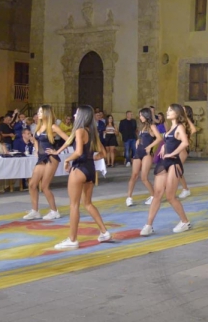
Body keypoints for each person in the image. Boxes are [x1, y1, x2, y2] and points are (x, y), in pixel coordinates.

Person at [50, 105, 111, 249]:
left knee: (74, 205)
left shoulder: (79, 130)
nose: (75, 115)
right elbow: (103, 153)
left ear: (82, 115)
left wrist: (67, 160)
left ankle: (72, 240)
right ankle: (104, 232)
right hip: (90, 169)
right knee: (88, 203)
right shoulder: (93, 132)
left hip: (79, 168)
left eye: (77, 113)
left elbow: (77, 152)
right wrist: (92, 158)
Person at [140, 104, 192, 234]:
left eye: (170, 110)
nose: (167, 112)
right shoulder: (170, 128)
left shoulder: (179, 127)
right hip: (164, 162)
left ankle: (185, 222)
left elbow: (185, 143)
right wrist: (164, 147)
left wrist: (173, 153)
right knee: (157, 194)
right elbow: (168, 140)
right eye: (167, 110)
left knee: (170, 196)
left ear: (177, 113)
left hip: (174, 163)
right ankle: (148, 225)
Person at [24, 105, 68, 221]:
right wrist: (37, 150)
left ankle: (54, 211)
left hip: (51, 157)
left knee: (44, 186)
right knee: (32, 184)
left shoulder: (53, 127)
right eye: (38, 111)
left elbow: (68, 139)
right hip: (42, 158)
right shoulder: (38, 127)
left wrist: (57, 151)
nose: (38, 113)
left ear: (47, 113)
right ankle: (35, 211)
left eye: (40, 112)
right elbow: (36, 141)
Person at [126, 108, 161, 207]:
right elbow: (141, 138)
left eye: (141, 115)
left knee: (144, 177)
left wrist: (150, 147)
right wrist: (138, 141)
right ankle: (129, 197)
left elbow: (159, 138)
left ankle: (154, 196)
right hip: (138, 152)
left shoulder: (152, 126)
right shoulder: (143, 126)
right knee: (134, 175)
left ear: (146, 116)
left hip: (146, 154)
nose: (140, 117)